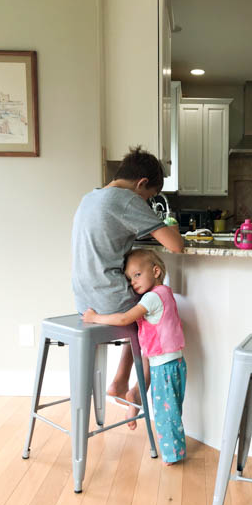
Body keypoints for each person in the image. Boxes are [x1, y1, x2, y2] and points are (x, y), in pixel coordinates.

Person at [72, 146, 184, 425]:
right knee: (154, 317)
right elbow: (176, 245)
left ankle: (121, 380)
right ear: (141, 184)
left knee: (138, 318)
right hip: (108, 296)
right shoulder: (126, 200)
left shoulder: (90, 197)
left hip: (83, 298)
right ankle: (134, 390)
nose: (145, 203)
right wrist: (169, 225)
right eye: (148, 197)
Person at [83, 249, 186, 465]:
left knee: (166, 412)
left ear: (156, 271)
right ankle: (135, 405)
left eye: (137, 275)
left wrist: (95, 317)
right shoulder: (163, 293)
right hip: (167, 362)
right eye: (130, 279)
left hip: (165, 365)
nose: (133, 282)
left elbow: (124, 319)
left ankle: (173, 455)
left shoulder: (152, 298)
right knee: (167, 407)